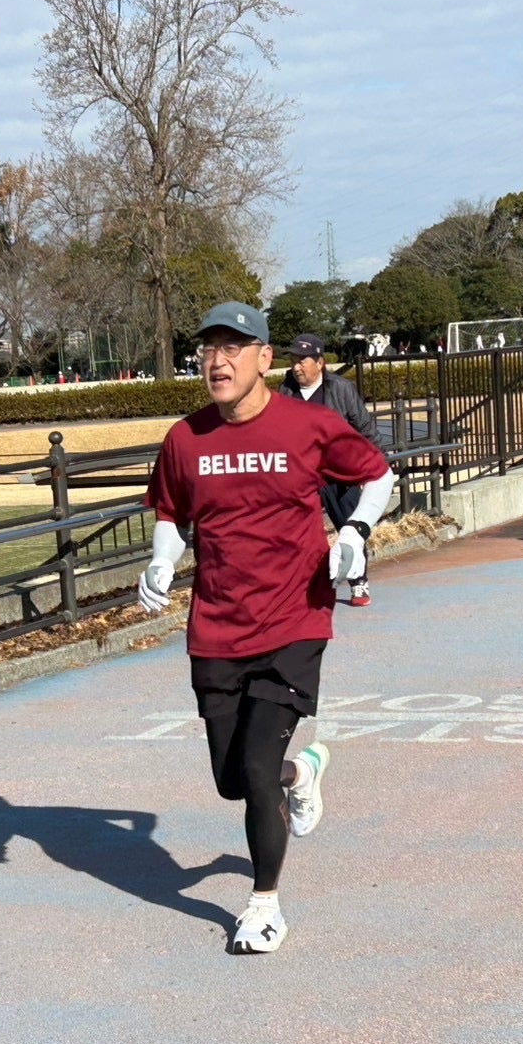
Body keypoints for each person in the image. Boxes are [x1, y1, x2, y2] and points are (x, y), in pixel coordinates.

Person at [139, 301, 393, 955]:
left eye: (232, 348)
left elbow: (378, 475)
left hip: (293, 620)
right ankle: (300, 773)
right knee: (232, 780)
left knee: (252, 771)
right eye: (208, 349)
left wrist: (355, 532)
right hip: (216, 626)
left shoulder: (308, 425)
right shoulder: (185, 439)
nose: (216, 361)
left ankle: (263, 907)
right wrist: (161, 561)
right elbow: (170, 513)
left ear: (264, 357)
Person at [278, 333, 384, 606]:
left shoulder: (340, 389)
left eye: (302, 361)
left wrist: (373, 469)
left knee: (350, 527)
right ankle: (303, 588)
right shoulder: (285, 391)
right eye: (293, 360)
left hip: (340, 474)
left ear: (319, 362)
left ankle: (358, 582)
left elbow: (365, 429)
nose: (296, 367)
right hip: (304, 476)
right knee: (299, 532)